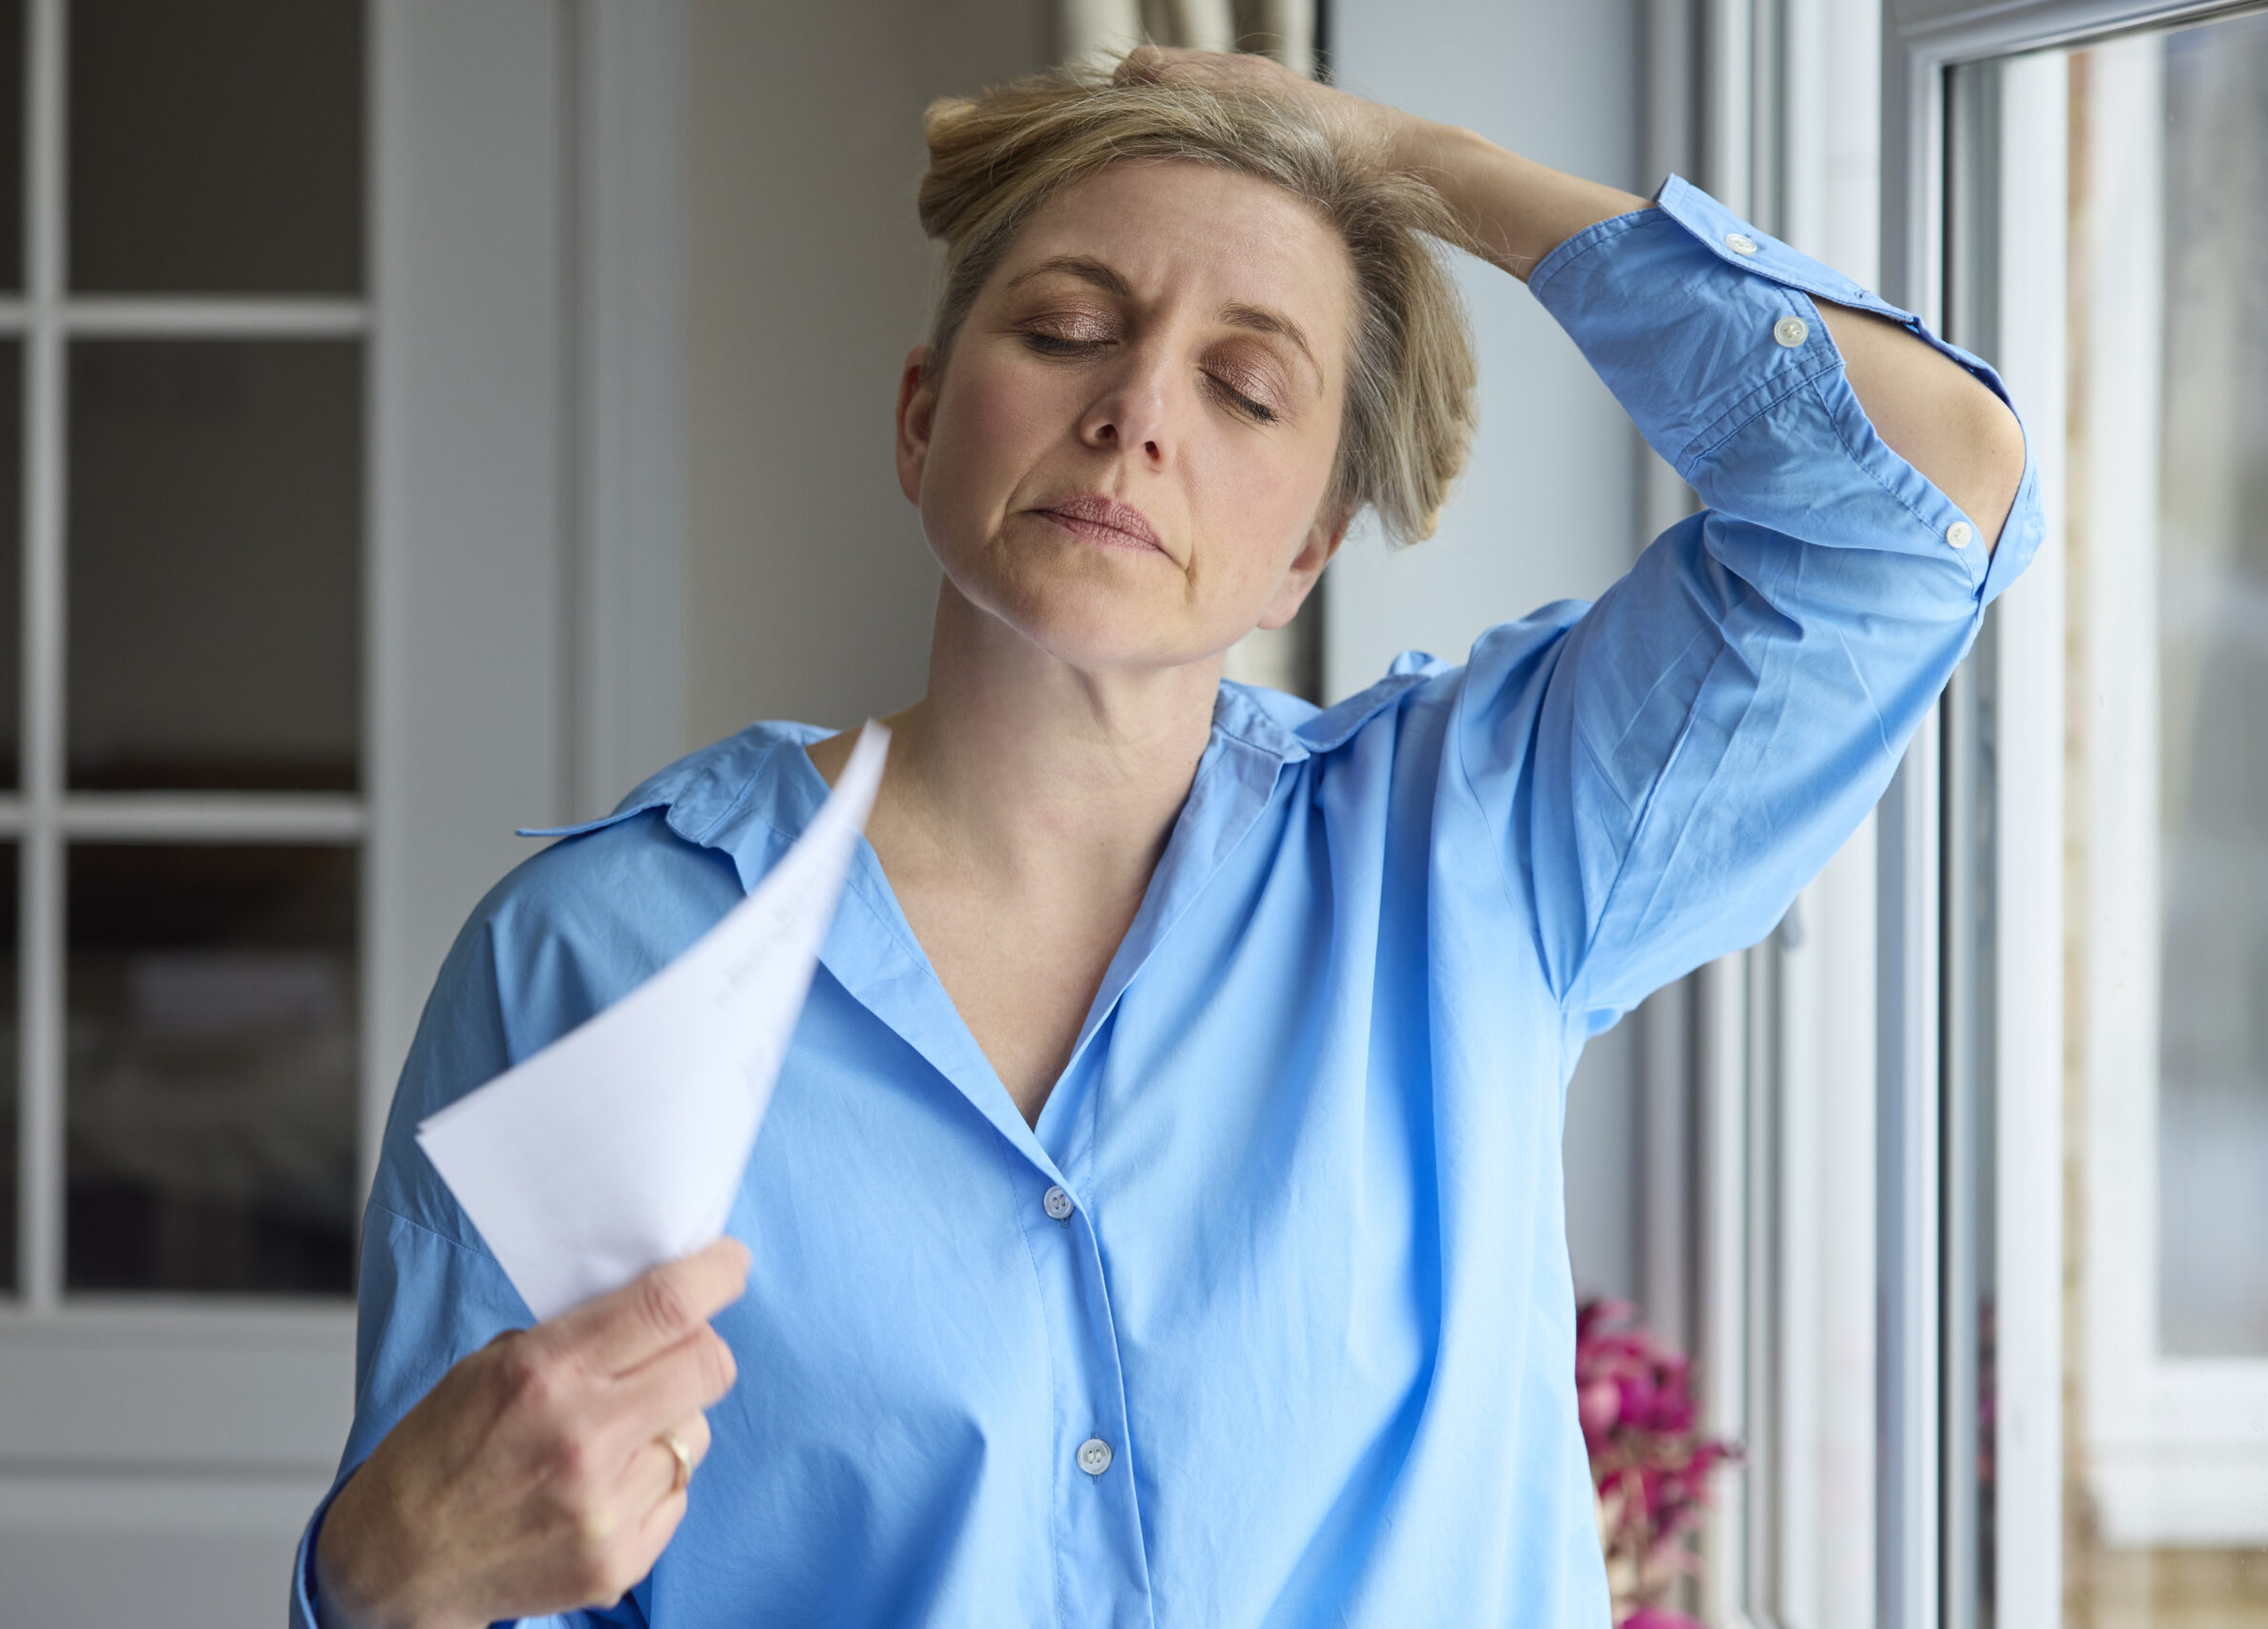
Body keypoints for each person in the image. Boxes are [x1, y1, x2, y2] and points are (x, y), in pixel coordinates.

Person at [297, 46, 2033, 1629]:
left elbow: (1924, 496)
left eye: (1246, 386)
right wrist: (371, 1583)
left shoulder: (1484, 855)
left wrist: (1407, 158)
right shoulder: (596, 956)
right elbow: (466, 1565)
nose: (1134, 410)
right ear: (921, 419)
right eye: (1064, 329)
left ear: (1312, 550)